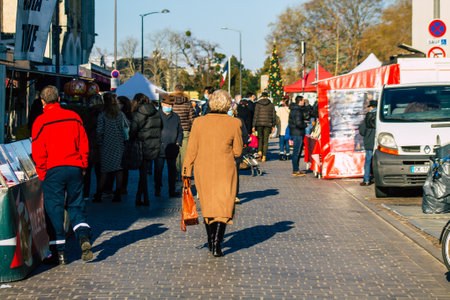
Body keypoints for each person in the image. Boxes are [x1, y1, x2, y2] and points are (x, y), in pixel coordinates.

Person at [31, 85, 92, 264]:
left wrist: (42, 172)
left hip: (53, 170)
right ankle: (83, 235)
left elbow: (38, 151)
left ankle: (60, 252)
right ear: (59, 99)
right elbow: (84, 143)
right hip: (74, 167)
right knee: (76, 205)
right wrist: (83, 165)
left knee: (54, 208)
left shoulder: (40, 122)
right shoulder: (74, 117)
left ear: (42, 102)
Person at [182, 90, 243, 257]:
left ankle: (211, 240)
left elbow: (191, 150)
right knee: (223, 206)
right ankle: (217, 244)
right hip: (225, 168)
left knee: (208, 205)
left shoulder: (199, 122)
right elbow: (238, 152)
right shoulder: (234, 123)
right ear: (228, 104)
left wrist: (186, 171)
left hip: (203, 168)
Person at [131, 93, 162, 206]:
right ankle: (139, 198)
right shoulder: (156, 112)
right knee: (143, 173)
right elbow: (160, 127)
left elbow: (133, 130)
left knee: (142, 174)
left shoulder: (139, 113)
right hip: (153, 145)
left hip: (142, 145)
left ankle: (146, 199)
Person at [96, 93, 128, 202]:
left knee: (104, 171)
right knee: (119, 170)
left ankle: (99, 193)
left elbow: (99, 131)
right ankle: (118, 193)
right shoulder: (120, 114)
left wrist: (99, 142)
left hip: (106, 145)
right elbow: (126, 127)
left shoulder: (102, 115)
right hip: (119, 144)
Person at [154, 95, 183, 197]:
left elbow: (180, 131)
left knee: (172, 171)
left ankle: (172, 190)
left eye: (170, 105)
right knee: (158, 170)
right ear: (162, 104)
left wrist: (178, 142)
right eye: (167, 104)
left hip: (172, 147)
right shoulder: (157, 115)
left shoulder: (176, 117)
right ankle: (157, 189)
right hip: (160, 147)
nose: (168, 106)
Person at [170, 84, 196, 179]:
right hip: (185, 130)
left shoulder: (171, 103)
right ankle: (184, 174)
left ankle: (175, 174)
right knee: (185, 154)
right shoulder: (188, 104)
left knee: (175, 154)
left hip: (174, 130)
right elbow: (192, 119)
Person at [83, 94, 103, 202]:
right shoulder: (104, 113)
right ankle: (99, 193)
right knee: (99, 172)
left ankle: (86, 193)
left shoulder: (91, 114)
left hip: (90, 145)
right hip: (101, 145)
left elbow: (88, 129)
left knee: (88, 172)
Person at [252, 92, 276, 162]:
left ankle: (259, 152)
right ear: (267, 97)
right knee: (266, 140)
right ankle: (264, 157)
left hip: (259, 124)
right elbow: (273, 115)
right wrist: (273, 125)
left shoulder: (258, 104)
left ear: (262, 96)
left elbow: (255, 115)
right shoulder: (271, 105)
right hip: (268, 124)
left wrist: (253, 125)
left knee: (260, 138)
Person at [358, 99, 377, 186]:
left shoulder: (368, 116)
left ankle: (366, 180)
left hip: (369, 141)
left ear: (372, 107)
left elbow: (362, 130)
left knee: (368, 161)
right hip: (380, 141)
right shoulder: (381, 115)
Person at [118, 95, 133, 195]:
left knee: (122, 166)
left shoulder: (121, 115)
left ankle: (122, 187)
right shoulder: (130, 115)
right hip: (126, 141)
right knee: (124, 166)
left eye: (118, 103)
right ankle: (123, 187)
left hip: (123, 141)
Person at [288, 95, 307, 177]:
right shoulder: (298, 111)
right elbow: (298, 123)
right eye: (303, 101)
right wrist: (305, 124)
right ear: (300, 101)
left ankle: (296, 169)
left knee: (297, 151)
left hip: (295, 132)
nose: (304, 102)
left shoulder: (294, 109)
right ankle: (295, 169)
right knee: (296, 151)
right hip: (298, 133)